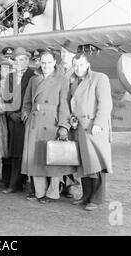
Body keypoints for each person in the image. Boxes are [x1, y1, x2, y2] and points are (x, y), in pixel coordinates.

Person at [21, 51, 76, 204]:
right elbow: (26, 101)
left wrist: (64, 126)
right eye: (43, 63)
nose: (45, 66)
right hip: (35, 123)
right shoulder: (33, 79)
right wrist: (26, 114)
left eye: (48, 62)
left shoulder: (62, 79)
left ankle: (52, 193)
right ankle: (39, 192)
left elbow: (64, 104)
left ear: (54, 62)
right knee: (35, 159)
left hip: (52, 123)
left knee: (54, 159)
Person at [70, 53, 113, 211]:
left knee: (98, 163)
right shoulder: (74, 81)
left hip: (95, 128)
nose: (78, 68)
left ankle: (96, 198)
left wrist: (99, 123)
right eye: (75, 65)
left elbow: (106, 104)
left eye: (81, 65)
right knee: (84, 164)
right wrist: (73, 120)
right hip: (81, 127)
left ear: (88, 64)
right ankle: (86, 195)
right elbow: (75, 104)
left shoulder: (100, 78)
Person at [2, 47, 35, 194]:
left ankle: (17, 183)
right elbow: (5, 99)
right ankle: (8, 181)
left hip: (25, 120)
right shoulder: (10, 77)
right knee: (10, 151)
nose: (19, 62)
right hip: (11, 119)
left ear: (27, 61)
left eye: (22, 59)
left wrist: (24, 113)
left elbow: (35, 98)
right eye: (16, 59)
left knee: (20, 152)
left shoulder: (33, 76)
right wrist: (10, 114)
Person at [57, 40, 82, 199]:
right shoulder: (56, 69)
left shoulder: (79, 71)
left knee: (72, 154)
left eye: (66, 52)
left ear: (73, 55)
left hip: (72, 118)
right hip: (57, 114)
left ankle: (72, 185)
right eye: (61, 52)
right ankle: (59, 184)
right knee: (57, 152)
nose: (63, 55)